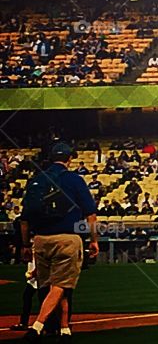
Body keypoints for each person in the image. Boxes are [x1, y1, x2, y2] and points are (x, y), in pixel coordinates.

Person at [20, 141, 98, 341]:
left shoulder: (37, 179)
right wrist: (93, 240)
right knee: (62, 285)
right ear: (69, 159)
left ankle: (62, 328)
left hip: (40, 239)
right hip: (66, 238)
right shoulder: (74, 179)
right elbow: (91, 214)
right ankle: (38, 325)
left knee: (48, 285)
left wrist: (25, 244)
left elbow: (25, 219)